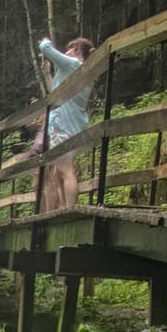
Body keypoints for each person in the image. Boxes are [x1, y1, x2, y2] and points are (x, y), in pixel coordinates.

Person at [34, 36, 95, 213]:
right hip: (71, 124)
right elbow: (56, 93)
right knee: (59, 171)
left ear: (77, 52)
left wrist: (45, 40)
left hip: (64, 125)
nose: (66, 52)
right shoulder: (82, 72)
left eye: (70, 49)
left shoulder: (74, 65)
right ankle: (63, 208)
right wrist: (47, 74)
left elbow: (45, 48)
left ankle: (70, 209)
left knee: (66, 169)